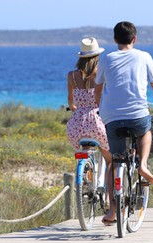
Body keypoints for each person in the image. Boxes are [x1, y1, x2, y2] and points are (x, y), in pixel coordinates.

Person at [96, 21, 153, 225]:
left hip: (112, 118)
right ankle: (143, 164)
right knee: (146, 130)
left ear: (115, 39)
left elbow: (98, 89)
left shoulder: (107, 58)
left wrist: (100, 109)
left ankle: (112, 211)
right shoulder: (144, 56)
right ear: (134, 39)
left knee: (114, 162)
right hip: (137, 116)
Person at [66, 37, 112, 168]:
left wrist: (76, 108)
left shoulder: (71, 76)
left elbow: (70, 101)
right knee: (110, 160)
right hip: (97, 122)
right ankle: (110, 187)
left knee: (83, 147)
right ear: (97, 56)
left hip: (76, 125)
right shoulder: (101, 74)